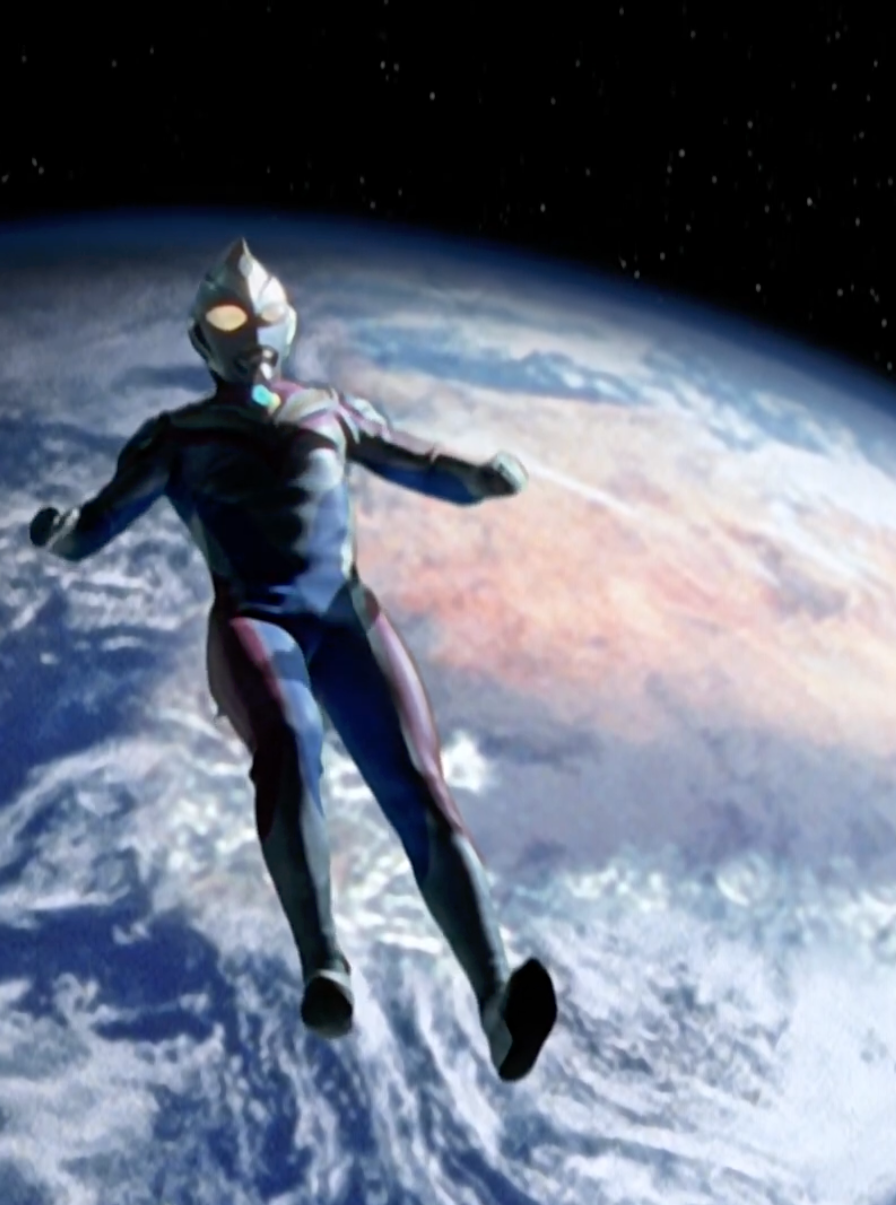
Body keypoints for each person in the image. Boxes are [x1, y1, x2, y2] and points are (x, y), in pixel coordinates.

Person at [29, 239, 556, 1081]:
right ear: (202, 337)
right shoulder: (174, 438)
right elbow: (99, 522)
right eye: (231, 316)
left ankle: (496, 997)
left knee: (417, 781)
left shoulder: (326, 411)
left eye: (264, 313)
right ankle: (323, 963)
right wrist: (62, 534)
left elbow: (416, 458)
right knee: (289, 738)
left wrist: (480, 477)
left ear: (288, 322)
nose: (252, 331)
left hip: (344, 616)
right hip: (256, 622)